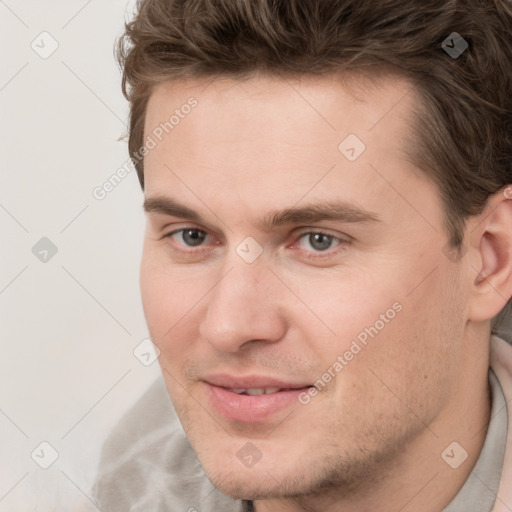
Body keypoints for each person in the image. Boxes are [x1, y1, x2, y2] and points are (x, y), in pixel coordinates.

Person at [93, 0, 512, 510]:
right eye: (192, 236)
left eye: (318, 240)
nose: (229, 326)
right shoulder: (135, 486)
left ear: (490, 259)